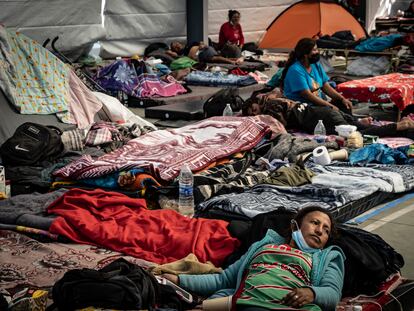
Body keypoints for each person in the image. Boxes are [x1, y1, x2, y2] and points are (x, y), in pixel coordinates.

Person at [162, 206, 345, 311]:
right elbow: (223, 279)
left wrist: (312, 293)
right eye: (314, 223)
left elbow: (332, 294)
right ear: (295, 225)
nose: (320, 231)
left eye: (326, 230)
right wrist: (177, 279)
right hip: (243, 302)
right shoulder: (264, 246)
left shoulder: (327, 257)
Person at [242, 95, 414, 139]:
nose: (255, 114)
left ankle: (400, 126)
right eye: (252, 114)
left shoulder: (270, 108)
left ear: (255, 103)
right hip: (325, 112)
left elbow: (281, 127)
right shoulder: (275, 99)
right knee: (362, 128)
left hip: (322, 120)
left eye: (254, 110)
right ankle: (402, 129)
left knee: (362, 135)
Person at [281, 38, 353, 114]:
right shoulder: (295, 70)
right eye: (314, 50)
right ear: (305, 54)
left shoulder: (315, 65)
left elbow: (325, 86)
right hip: (304, 108)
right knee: (333, 114)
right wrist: (330, 106)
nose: (317, 52)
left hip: (318, 104)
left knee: (344, 105)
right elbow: (308, 95)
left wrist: (342, 99)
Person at [169, 40, 243, 65]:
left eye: (176, 43)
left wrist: (201, 45)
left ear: (180, 43)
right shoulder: (180, 54)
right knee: (217, 58)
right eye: (174, 47)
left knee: (216, 58)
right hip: (200, 56)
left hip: (203, 50)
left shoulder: (189, 44)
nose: (177, 45)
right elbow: (168, 52)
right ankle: (234, 60)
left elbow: (201, 42)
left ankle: (232, 62)